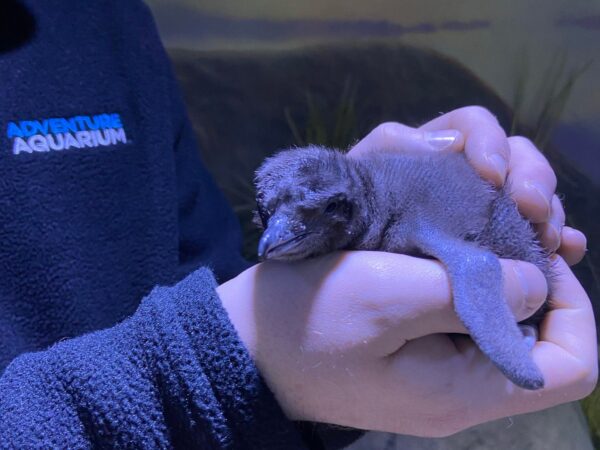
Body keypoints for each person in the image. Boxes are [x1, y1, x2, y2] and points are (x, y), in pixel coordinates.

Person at [0, 0, 596, 448]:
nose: (275, 236)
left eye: (319, 215)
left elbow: (224, 284)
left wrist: (320, 369)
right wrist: (225, 368)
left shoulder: (103, 18)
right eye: (269, 216)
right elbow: (241, 332)